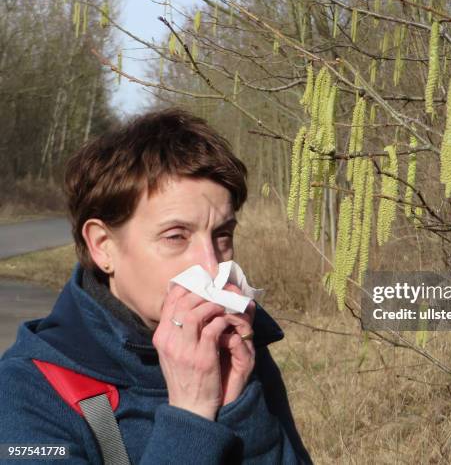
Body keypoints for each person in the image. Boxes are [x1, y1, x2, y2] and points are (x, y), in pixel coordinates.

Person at [0, 109, 312, 464]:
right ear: (102, 245)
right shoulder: (28, 391)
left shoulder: (238, 344)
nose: (211, 266)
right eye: (176, 236)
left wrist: (241, 408)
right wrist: (191, 415)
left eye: (222, 234)